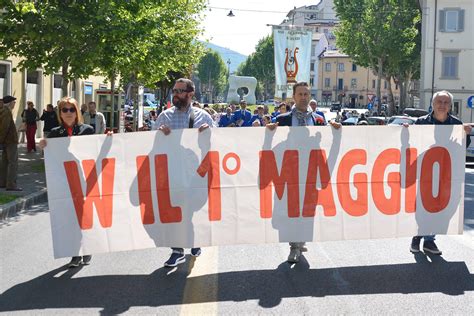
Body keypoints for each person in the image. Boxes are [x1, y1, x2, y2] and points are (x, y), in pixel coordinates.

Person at [266, 82, 341, 263]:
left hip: (310, 173)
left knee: (307, 211)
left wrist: (336, 131)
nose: (303, 97)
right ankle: (294, 246)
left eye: (306, 94)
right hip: (289, 172)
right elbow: (270, 145)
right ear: (294, 97)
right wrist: (268, 133)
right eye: (300, 94)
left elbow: (326, 144)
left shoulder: (319, 120)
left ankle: (300, 240)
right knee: (290, 211)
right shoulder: (282, 119)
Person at [154, 78, 216, 267]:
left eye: (180, 91)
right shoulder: (164, 117)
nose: (175, 94)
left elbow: (217, 145)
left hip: (196, 173)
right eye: (174, 90)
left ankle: (194, 240)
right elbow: (151, 147)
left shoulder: (203, 116)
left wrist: (209, 133)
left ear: (190, 94)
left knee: (193, 210)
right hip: (172, 173)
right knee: (175, 211)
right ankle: (177, 250)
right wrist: (159, 135)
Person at [409, 90, 472, 256]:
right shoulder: (421, 123)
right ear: (432, 104)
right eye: (439, 102)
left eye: (446, 102)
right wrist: (405, 132)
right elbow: (412, 145)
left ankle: (429, 241)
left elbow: (462, 148)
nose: (442, 105)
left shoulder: (457, 124)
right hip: (425, 173)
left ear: (450, 106)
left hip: (446, 174)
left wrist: (466, 134)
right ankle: (417, 237)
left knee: (440, 208)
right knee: (422, 207)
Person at [39, 97, 95, 268]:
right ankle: (74, 254)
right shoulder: (55, 133)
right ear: (60, 113)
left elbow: (95, 152)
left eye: (72, 109)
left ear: (77, 111)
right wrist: (43, 145)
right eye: (65, 110)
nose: (68, 113)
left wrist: (107, 140)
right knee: (69, 218)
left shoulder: (88, 130)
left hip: (84, 181)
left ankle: (87, 248)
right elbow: (52, 158)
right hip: (65, 183)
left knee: (84, 218)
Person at [0, 95, 22, 191]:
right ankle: (11, 185)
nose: (14, 104)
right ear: (9, 103)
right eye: (14, 102)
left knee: (4, 162)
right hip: (10, 141)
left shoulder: (4, 111)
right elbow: (4, 127)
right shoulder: (6, 112)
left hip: (6, 141)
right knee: (13, 163)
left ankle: (3, 182)